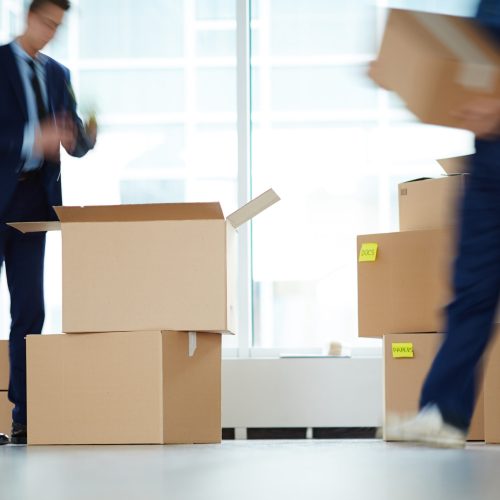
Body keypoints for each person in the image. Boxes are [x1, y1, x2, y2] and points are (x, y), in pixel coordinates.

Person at [385, 0, 500, 448]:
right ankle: (444, 412)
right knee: (470, 289)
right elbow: (471, 62)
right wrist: (406, 69)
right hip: (490, 164)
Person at [0, 0, 96, 445]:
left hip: (32, 205)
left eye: (59, 27)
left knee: (29, 311)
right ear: (29, 17)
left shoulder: (59, 74)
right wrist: (29, 139)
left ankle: (24, 416)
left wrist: (82, 137)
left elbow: (72, 136)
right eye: (48, 23)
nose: (52, 33)